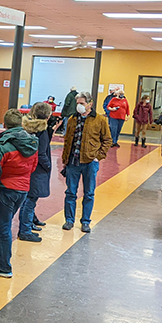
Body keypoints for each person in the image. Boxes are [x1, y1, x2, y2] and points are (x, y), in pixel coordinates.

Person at [0, 109, 38, 279]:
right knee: (5, 226)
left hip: (4, 189)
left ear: (4, 125)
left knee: (2, 229)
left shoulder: (2, 145)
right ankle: (2, 263)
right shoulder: (32, 143)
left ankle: (3, 266)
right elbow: (33, 167)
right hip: (22, 189)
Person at [61, 91, 111, 233]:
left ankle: (85, 222)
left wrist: (98, 156)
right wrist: (65, 160)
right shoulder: (72, 119)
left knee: (89, 193)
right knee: (70, 192)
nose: (79, 106)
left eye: (82, 103)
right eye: (78, 104)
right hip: (72, 162)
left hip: (90, 162)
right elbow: (67, 141)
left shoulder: (100, 120)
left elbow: (107, 140)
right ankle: (69, 220)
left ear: (90, 104)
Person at [18, 102, 56, 243]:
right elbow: (42, 153)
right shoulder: (42, 131)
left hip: (28, 167)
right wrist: (48, 166)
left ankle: (30, 222)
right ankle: (25, 230)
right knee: (31, 200)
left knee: (28, 198)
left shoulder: (28, 127)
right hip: (38, 169)